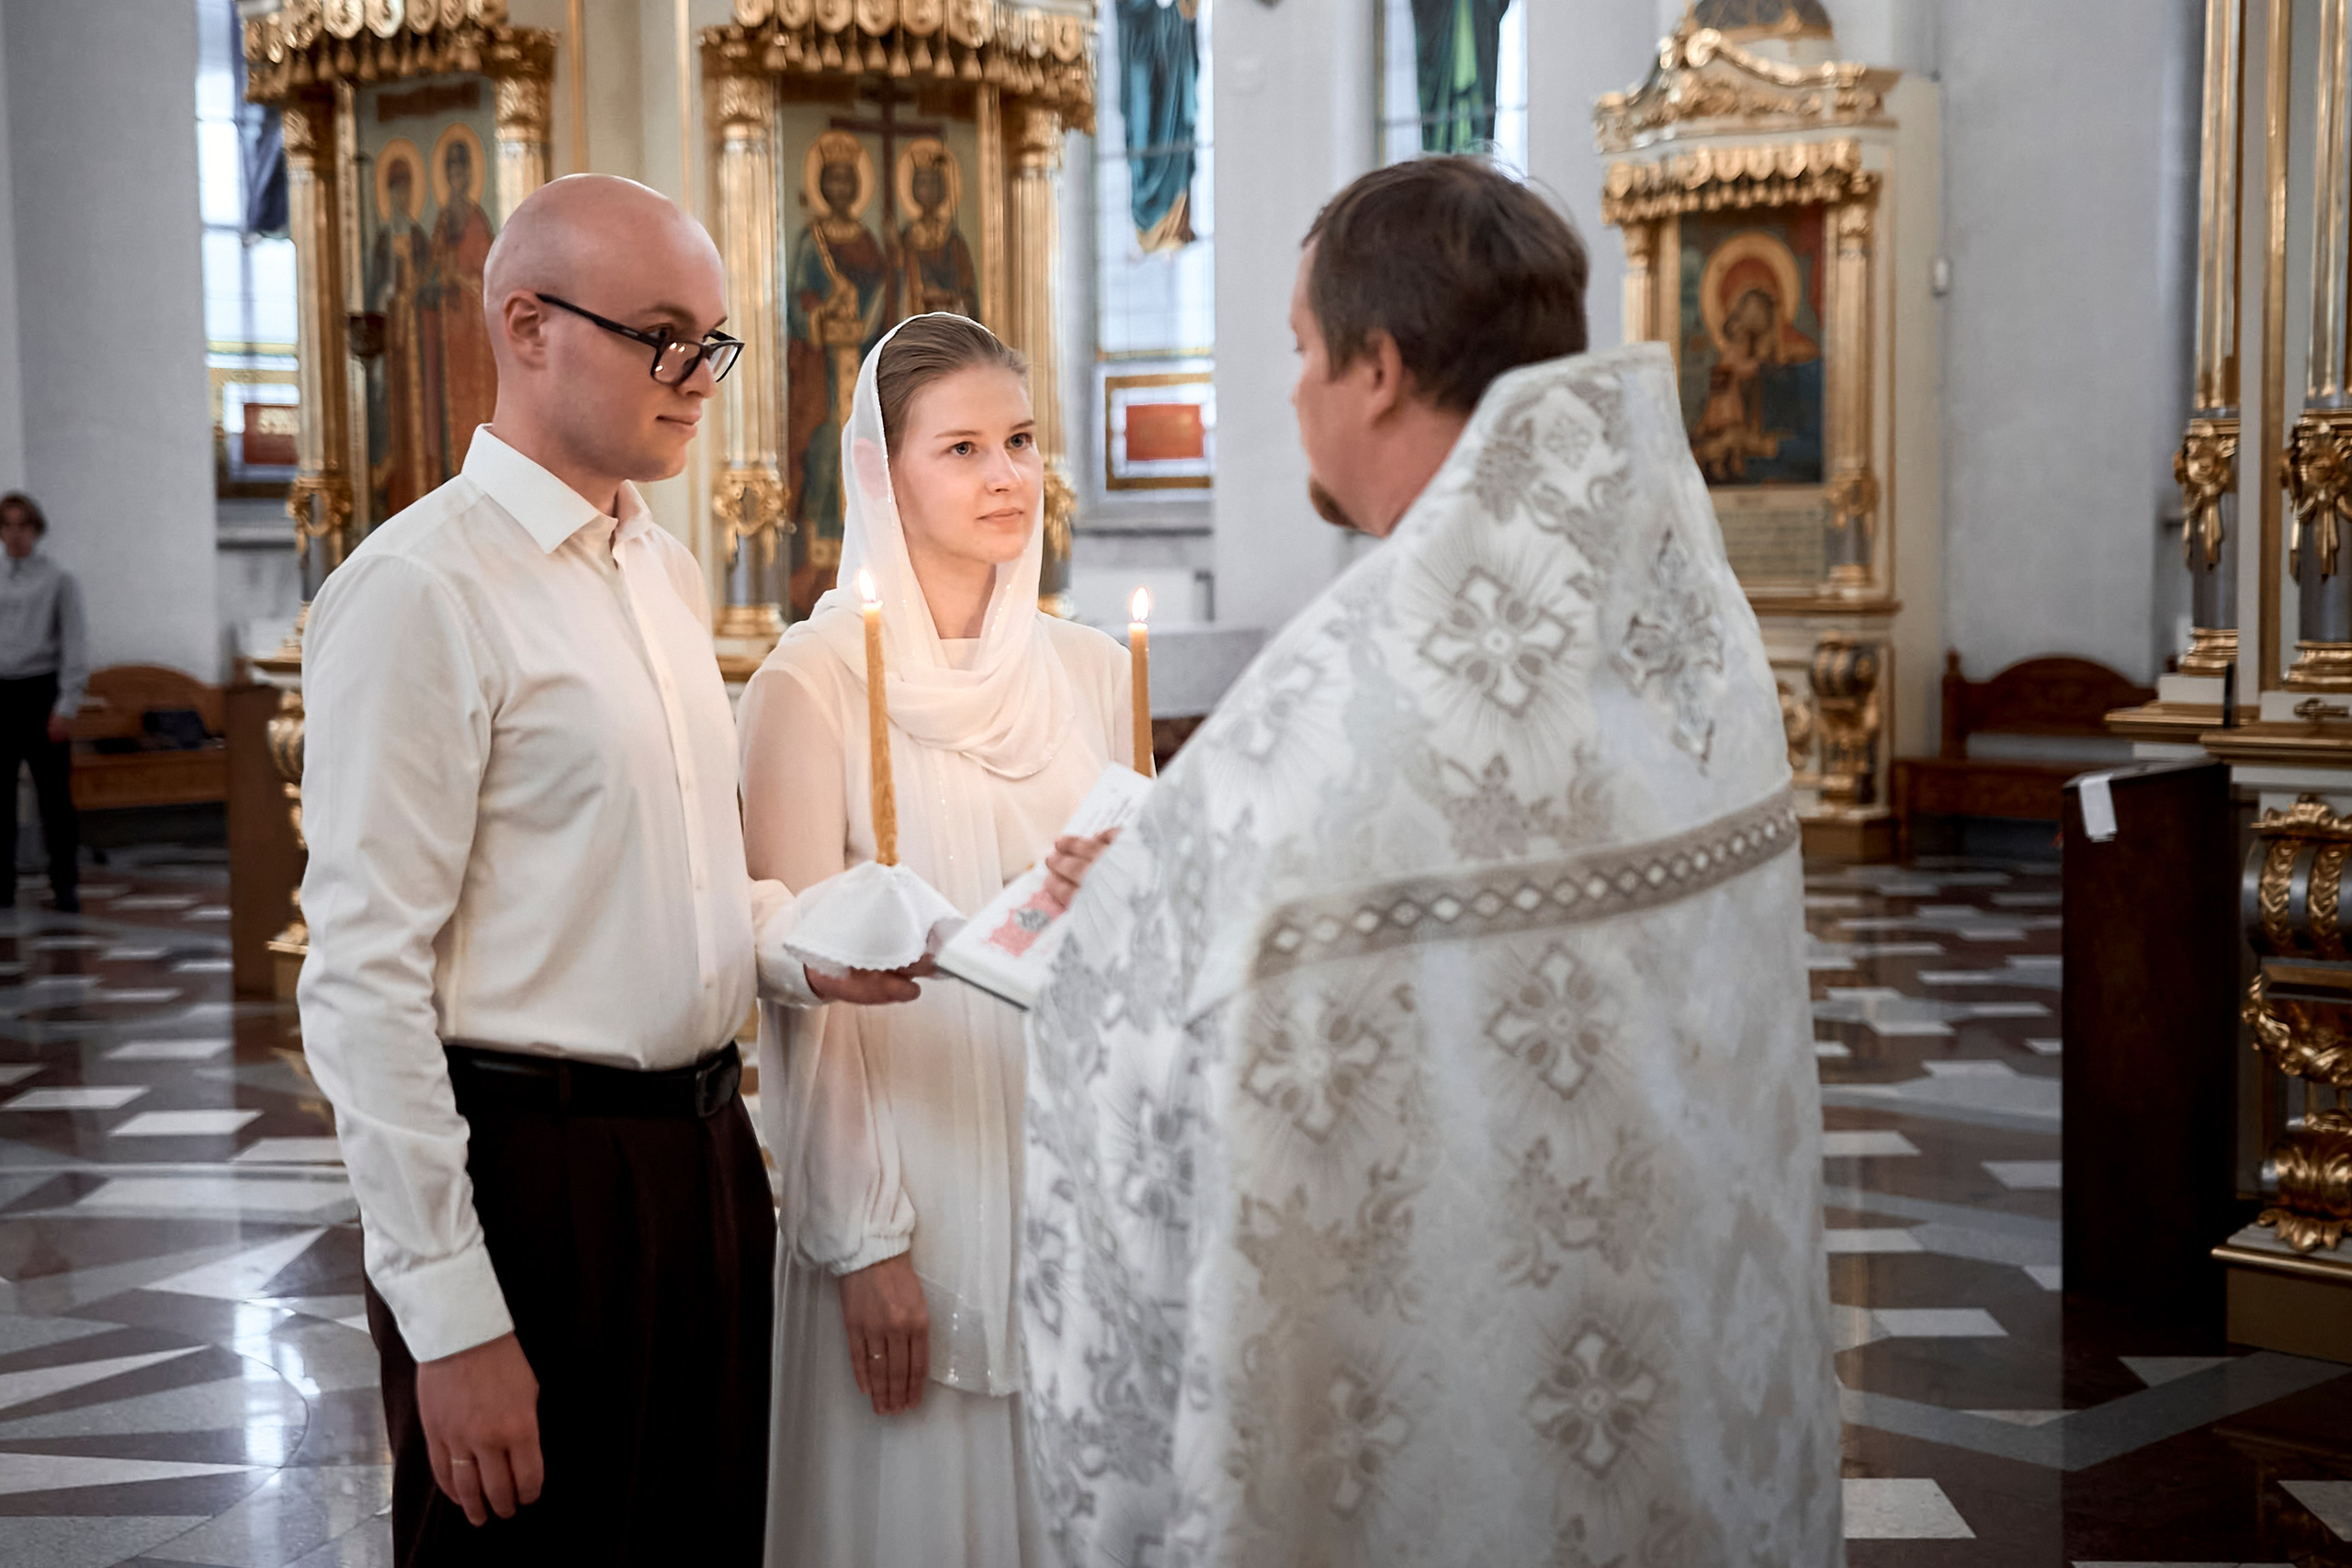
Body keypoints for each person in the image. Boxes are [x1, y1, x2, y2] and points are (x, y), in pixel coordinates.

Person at [1024, 156, 1842, 1564]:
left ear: (1380, 369)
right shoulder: (1697, 636)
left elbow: (1131, 1079)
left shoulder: (1321, 723)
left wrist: (1139, 907)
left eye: (1301, 349)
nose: (1293, 391)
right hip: (1688, 1436)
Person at [298, 174, 922, 1566]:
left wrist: (800, 946)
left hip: (702, 1159)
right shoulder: (421, 591)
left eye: (712, 339)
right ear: (528, 325)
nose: (699, 378)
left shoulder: (662, 570)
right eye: (661, 337)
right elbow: (362, 981)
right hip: (537, 1180)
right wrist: (452, 1318)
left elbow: (671, 881)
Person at [739, 311, 1135, 1568]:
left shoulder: (1090, 673)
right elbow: (802, 984)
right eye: (961, 448)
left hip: (1072, 1176)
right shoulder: (809, 682)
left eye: (1019, 440)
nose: (1007, 475)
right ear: (880, 471)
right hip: (906, 1178)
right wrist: (866, 1240)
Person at [0, 492, 86, 914]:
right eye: (7, 525)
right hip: (2, 691)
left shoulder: (58, 579)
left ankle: (64, 883)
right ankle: (3, 884)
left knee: (54, 797)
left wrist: (66, 703)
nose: (15, 534)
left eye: (23, 525)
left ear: (36, 529)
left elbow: (74, 642)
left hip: (40, 692)